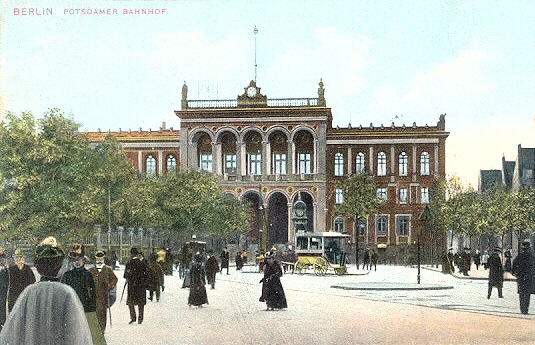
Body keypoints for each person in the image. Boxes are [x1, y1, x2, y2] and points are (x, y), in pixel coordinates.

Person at [0, 236, 93, 345]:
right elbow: (76, 332)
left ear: (38, 266)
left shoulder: (29, 292)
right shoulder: (66, 292)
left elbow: (13, 331)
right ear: (59, 265)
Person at [61, 244, 105, 345]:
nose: (76, 262)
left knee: (93, 337)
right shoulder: (67, 276)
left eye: (79, 259)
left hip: (87, 310)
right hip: (70, 311)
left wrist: (92, 308)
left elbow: (93, 294)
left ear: (83, 260)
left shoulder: (88, 275)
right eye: (74, 259)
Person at [89, 250, 118, 333]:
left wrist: (110, 286)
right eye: (97, 259)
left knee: (102, 313)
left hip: (104, 295)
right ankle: (94, 330)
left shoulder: (108, 269)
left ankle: (102, 330)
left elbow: (114, 279)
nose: (99, 261)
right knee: (94, 313)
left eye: (101, 259)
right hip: (93, 296)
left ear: (104, 260)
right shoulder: (91, 270)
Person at [124, 247, 150, 324]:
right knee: (141, 303)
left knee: (131, 302)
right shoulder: (142, 263)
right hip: (141, 286)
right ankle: (140, 318)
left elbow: (126, 275)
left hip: (132, 286)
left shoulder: (129, 263)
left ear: (131, 254)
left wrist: (130, 276)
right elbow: (147, 274)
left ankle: (133, 317)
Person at [8, 248, 36, 313]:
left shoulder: (27, 269)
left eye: (20, 257)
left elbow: (32, 281)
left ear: (23, 258)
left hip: (24, 295)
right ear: (14, 259)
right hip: (13, 296)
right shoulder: (11, 269)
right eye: (17, 257)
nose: (18, 259)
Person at [512, 240, 535, 314]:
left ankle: (522, 308)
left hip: (521, 278)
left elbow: (514, 265)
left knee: (522, 294)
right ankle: (526, 309)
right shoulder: (532, 257)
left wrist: (514, 273)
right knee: (527, 294)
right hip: (529, 277)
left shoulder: (519, 257)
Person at [0, 247, 9, 332]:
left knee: (2, 308)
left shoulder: (6, 269)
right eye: (2, 259)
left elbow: (8, 281)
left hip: (3, 293)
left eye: (4, 259)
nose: (3, 261)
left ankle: (3, 323)